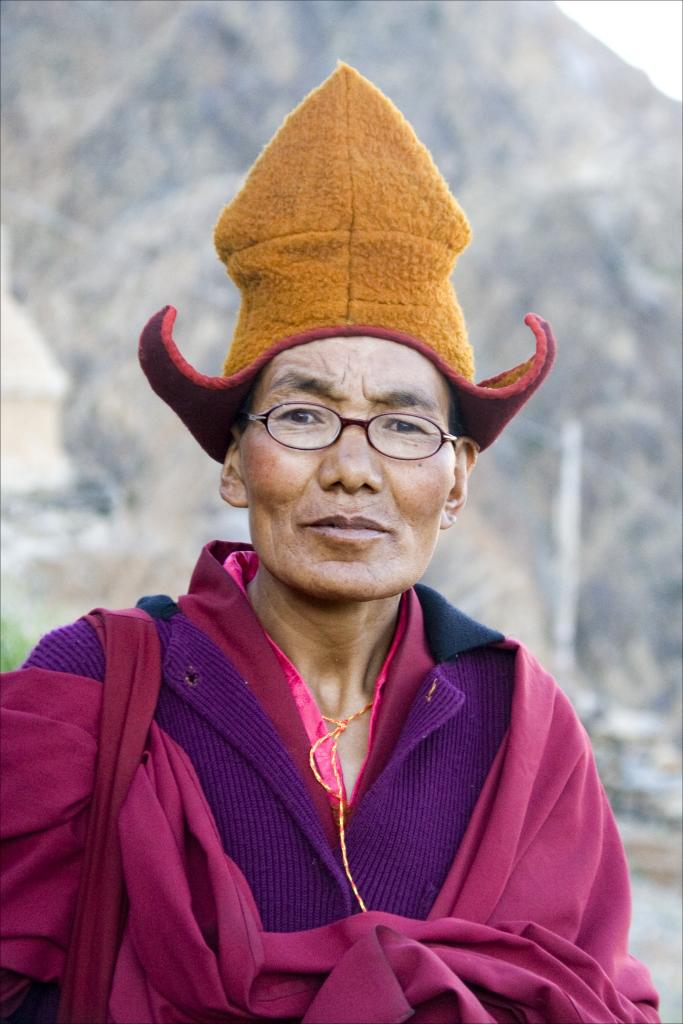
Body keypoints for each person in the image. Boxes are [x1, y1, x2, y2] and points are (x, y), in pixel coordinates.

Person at [1, 63, 659, 1024]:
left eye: (402, 426)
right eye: (304, 415)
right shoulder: (97, 695)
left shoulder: (523, 728)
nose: (354, 469)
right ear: (234, 463)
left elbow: (592, 995)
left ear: (458, 481)